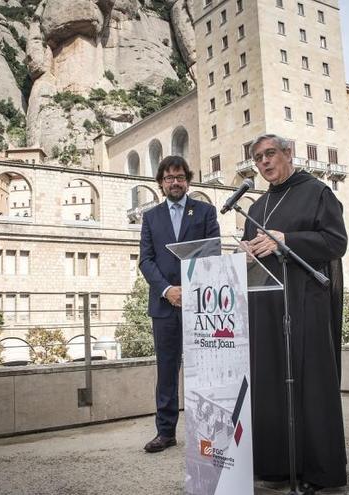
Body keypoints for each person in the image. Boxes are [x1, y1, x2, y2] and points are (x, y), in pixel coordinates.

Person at [241, 134, 348, 490]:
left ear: (288, 153)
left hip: (307, 306)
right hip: (266, 307)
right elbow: (257, 256)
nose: (264, 162)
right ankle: (274, 467)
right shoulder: (255, 208)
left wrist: (286, 239)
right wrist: (248, 253)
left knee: (310, 386)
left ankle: (318, 471)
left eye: (270, 154)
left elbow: (337, 243)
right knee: (270, 384)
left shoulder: (318, 192)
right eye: (258, 158)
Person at [139, 155, 220, 453]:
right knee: (167, 370)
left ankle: (208, 431)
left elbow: (213, 252)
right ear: (161, 183)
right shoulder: (150, 217)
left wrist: (191, 287)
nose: (175, 181)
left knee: (204, 369)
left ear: (188, 180)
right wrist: (167, 290)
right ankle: (166, 433)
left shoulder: (205, 212)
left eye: (180, 176)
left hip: (200, 304)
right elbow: (145, 261)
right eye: (169, 177)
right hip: (164, 306)